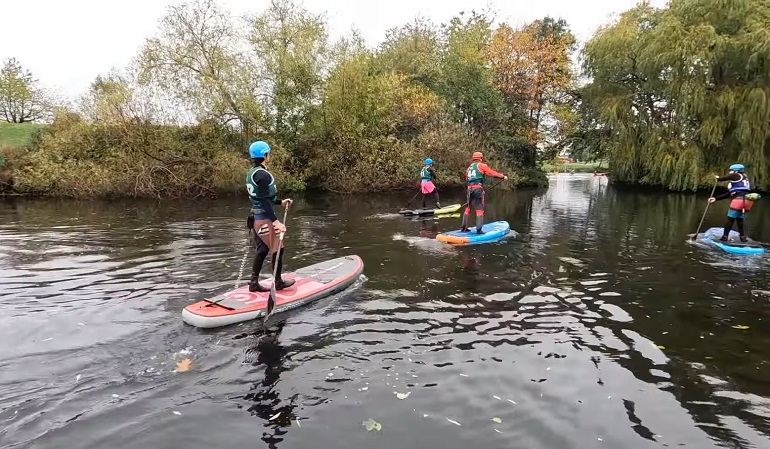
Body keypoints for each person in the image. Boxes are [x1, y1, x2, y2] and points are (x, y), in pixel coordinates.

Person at [245, 140, 295, 292]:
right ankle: (278, 282)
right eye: (268, 153)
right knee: (278, 248)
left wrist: (280, 202)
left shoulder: (253, 172)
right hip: (264, 219)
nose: (269, 156)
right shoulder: (262, 175)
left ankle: (254, 283)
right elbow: (265, 200)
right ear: (265, 155)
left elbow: (262, 197)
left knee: (262, 250)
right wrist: (276, 222)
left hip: (256, 218)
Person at [708, 163, 758, 242]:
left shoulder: (736, 175)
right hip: (748, 201)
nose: (729, 172)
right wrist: (715, 198)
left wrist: (717, 178)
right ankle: (742, 238)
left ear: (735, 171)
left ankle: (725, 237)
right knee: (739, 219)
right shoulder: (744, 178)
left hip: (739, 201)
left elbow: (723, 178)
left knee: (730, 220)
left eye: (731, 171)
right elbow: (729, 194)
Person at [461, 152, 507, 234]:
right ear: (480, 158)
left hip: (469, 189)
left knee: (468, 208)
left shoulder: (469, 168)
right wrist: (502, 176)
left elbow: (467, 179)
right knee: (479, 209)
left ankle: (463, 228)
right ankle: (479, 230)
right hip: (477, 189)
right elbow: (492, 173)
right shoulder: (482, 165)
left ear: (473, 159)